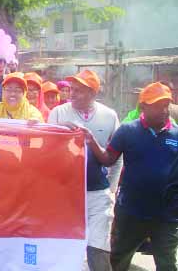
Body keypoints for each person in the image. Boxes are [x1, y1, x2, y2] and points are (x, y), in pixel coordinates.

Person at [85, 82, 178, 271]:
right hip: (131, 212)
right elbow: (108, 159)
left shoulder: (176, 134)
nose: (164, 110)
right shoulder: (128, 131)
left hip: (166, 215)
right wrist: (91, 141)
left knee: (167, 263)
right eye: (158, 106)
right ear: (143, 107)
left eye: (166, 105)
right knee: (119, 259)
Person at [48, 69, 121, 271]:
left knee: (98, 246)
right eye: (71, 89)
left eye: (78, 90)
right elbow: (47, 151)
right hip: (66, 193)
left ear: (93, 93)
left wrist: (112, 189)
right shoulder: (58, 113)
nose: (71, 94)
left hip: (98, 192)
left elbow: (116, 155)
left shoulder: (109, 115)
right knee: (68, 247)